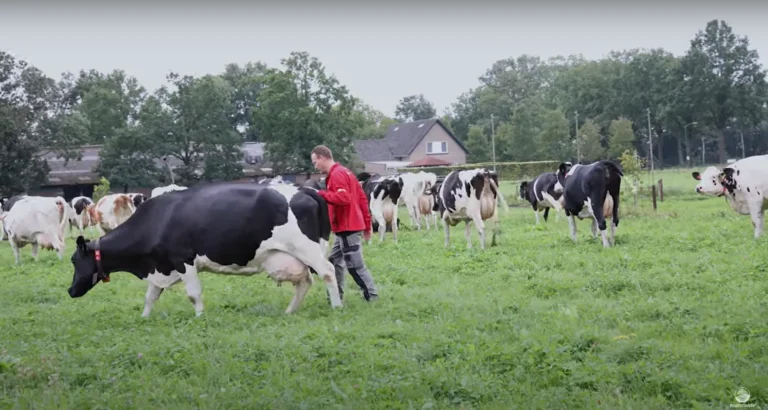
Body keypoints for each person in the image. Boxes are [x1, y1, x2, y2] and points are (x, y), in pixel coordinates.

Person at [310, 145, 378, 302]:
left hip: (348, 227)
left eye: (315, 162)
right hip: (346, 228)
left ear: (322, 158)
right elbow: (362, 199)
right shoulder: (345, 172)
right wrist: (367, 226)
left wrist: (320, 194)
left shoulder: (337, 175)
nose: (315, 166)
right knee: (334, 261)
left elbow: (344, 199)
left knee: (354, 265)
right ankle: (336, 296)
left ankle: (372, 296)